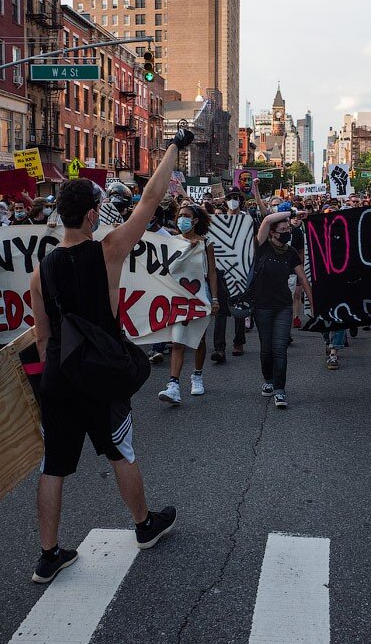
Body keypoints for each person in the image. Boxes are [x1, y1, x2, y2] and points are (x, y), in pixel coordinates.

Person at [26, 136, 183, 585]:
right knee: (120, 451)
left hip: (59, 373)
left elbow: (42, 336)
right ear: (93, 214)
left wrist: (52, 380)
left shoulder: (42, 270)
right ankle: (144, 525)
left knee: (53, 465)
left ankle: (48, 554)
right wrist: (174, 146)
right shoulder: (109, 250)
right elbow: (151, 198)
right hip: (100, 373)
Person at [157, 204, 219, 405]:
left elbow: (211, 273)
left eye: (187, 216)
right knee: (177, 341)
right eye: (180, 215)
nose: (182, 219)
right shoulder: (172, 242)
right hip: (178, 295)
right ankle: (173, 385)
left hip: (200, 295)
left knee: (198, 339)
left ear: (195, 221)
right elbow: (166, 269)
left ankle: (197, 375)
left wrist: (215, 299)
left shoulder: (206, 243)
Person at [252, 209, 314, 408]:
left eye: (289, 229)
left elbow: (303, 278)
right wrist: (293, 210)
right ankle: (268, 380)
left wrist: (313, 303)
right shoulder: (261, 247)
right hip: (262, 306)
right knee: (266, 349)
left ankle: (280, 389)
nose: (287, 232)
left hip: (283, 306)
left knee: (280, 349)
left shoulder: (290, 252)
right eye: (283, 229)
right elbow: (268, 219)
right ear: (272, 232)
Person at [211, 188, 248, 362]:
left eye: (236, 198)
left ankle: (238, 342)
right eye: (230, 198)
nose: (233, 201)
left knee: (239, 308)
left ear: (241, 201)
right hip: (220, 270)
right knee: (221, 311)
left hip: (241, 269)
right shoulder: (217, 222)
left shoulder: (247, 220)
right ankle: (219, 348)